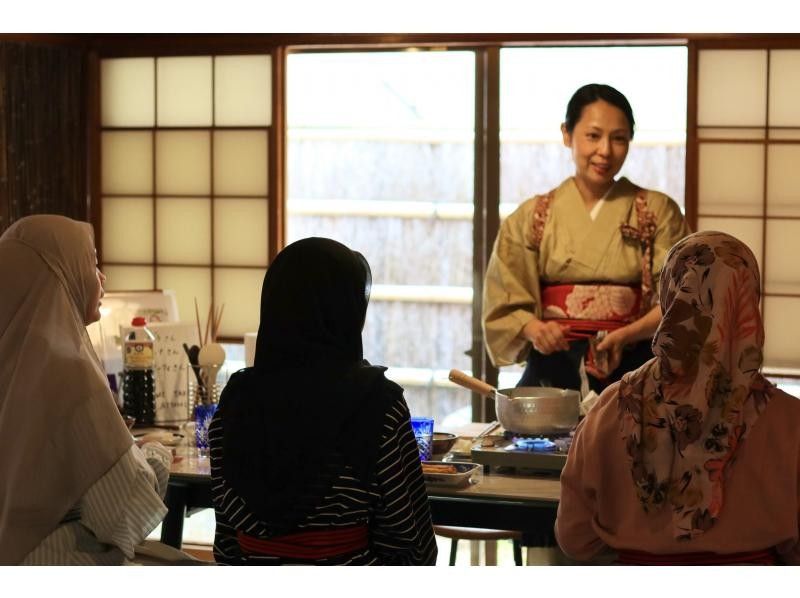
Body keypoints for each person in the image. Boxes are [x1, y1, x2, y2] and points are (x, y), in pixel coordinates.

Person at [555, 231, 800, 565]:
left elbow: (575, 539)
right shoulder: (789, 421)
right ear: (748, 302)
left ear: (670, 296)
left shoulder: (610, 409)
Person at [208, 237, 437, 565]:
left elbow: (227, 544)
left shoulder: (235, 401)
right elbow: (410, 542)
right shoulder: (378, 403)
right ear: (346, 311)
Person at [483, 83, 690, 396]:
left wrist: (626, 334)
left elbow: (682, 297)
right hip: (554, 367)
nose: (605, 151)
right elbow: (504, 302)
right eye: (593, 136)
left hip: (636, 367)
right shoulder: (531, 217)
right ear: (567, 134)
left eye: (618, 138)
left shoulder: (658, 212)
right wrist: (537, 329)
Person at [0, 214, 181, 565]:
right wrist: (155, 454)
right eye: (92, 263)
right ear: (59, 276)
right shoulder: (66, 370)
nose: (101, 278)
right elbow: (123, 511)